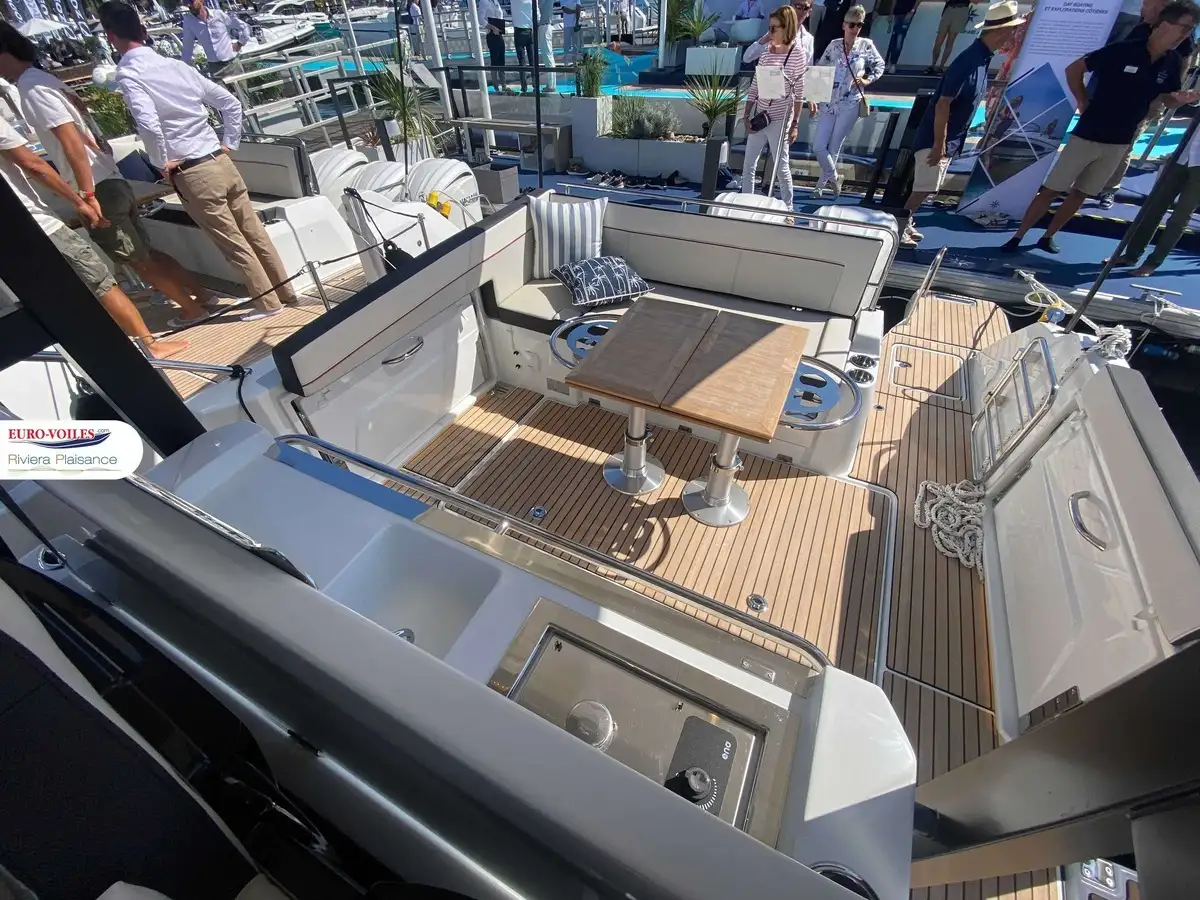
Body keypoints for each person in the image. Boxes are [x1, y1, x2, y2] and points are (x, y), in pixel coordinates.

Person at [0, 23, 219, 329]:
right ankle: (202, 296)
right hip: (110, 176)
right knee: (145, 253)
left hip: (97, 186)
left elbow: (70, 142)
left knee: (137, 260)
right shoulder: (48, 80)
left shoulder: (32, 89)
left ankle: (193, 311)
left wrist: (86, 195)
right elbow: (87, 136)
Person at [99, 0, 300, 321]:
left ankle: (268, 304)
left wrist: (160, 162)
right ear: (144, 30)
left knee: (234, 243)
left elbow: (148, 124)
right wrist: (229, 143)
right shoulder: (177, 66)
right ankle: (286, 293)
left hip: (193, 172)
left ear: (111, 37)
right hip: (220, 161)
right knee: (255, 233)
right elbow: (230, 104)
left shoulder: (131, 74)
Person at [1001, 0, 1199, 254]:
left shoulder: (1172, 63)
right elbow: (1075, 69)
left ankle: (1048, 236)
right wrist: (1082, 100)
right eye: (1184, 28)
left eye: (1190, 30)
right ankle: (1018, 236)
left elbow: (1167, 98)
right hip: (1088, 134)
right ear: (1163, 25)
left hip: (1121, 141)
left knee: (1081, 193)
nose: (1185, 35)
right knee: (1052, 189)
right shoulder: (1124, 50)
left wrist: (1180, 99)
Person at [0, 116, 189, 360]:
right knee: (101, 282)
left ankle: (88, 353)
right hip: (38, 225)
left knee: (48, 296)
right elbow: (33, 164)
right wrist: (80, 201)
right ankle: (149, 345)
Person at [900, 0, 1025, 248]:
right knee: (923, 188)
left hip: (948, 138)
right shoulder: (968, 62)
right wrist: (939, 143)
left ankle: (906, 221)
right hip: (938, 138)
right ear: (1000, 31)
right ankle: (900, 225)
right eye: (1011, 30)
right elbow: (943, 104)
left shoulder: (980, 59)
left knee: (927, 186)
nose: (1012, 35)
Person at [1093, 0, 1196, 207]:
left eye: (1149, 5)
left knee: (1126, 143)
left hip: (1150, 97)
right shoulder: (1140, 29)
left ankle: (1109, 189)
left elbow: (1184, 62)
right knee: (1099, 139)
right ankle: (1087, 183)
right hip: (1120, 94)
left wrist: (1167, 93)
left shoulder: (1180, 35)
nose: (1144, 8)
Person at [1107, 126, 1200, 274]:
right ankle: (1131, 255)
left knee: (1180, 216)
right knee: (1153, 208)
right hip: (1183, 156)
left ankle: (1153, 262)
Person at [812, 4, 883, 195]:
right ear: (844, 25)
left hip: (850, 102)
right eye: (852, 24)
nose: (855, 29)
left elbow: (879, 66)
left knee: (834, 146)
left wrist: (867, 79)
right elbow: (820, 67)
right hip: (829, 101)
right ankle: (835, 177)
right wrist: (815, 92)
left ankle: (820, 186)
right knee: (819, 146)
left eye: (859, 25)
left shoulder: (866, 45)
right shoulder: (834, 45)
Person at [741, 5, 807, 206]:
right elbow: (755, 86)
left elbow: (799, 93)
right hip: (760, 115)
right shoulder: (766, 53)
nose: (770, 33)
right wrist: (746, 114)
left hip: (780, 119)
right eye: (769, 28)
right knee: (748, 165)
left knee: (781, 167)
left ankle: (789, 208)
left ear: (786, 28)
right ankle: (745, 205)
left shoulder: (797, 54)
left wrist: (795, 124)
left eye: (773, 28)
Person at [181, 0, 250, 80]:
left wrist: (240, 43)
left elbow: (245, 27)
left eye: (191, 1)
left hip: (232, 64)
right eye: (186, 2)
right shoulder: (189, 22)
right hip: (215, 69)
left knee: (242, 88)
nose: (188, 4)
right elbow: (187, 46)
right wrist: (183, 68)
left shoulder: (218, 14)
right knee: (219, 88)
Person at [928, 0, 971, 74]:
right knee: (938, 41)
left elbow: (976, 1)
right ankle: (932, 65)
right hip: (949, 8)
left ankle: (941, 67)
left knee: (950, 41)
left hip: (962, 10)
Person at [477, 0, 508, 90]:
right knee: (494, 61)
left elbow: (500, 15)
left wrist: (501, 26)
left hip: (499, 34)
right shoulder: (483, 2)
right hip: (491, 35)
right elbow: (481, 20)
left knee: (501, 61)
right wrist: (493, 27)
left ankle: (504, 85)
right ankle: (496, 86)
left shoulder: (496, 2)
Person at [883, 0, 916, 73]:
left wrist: (912, 11)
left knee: (899, 38)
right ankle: (890, 62)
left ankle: (893, 63)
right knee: (894, 37)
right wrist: (891, 12)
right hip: (898, 11)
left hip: (907, 11)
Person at [509, 0, 535, 93]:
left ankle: (524, 87)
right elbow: (537, 15)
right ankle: (535, 84)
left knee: (522, 61)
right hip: (529, 30)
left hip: (519, 31)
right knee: (532, 61)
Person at [537, 0, 557, 92]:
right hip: (544, 26)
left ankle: (551, 85)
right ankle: (551, 84)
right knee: (548, 57)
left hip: (544, 26)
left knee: (548, 57)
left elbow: (540, 7)